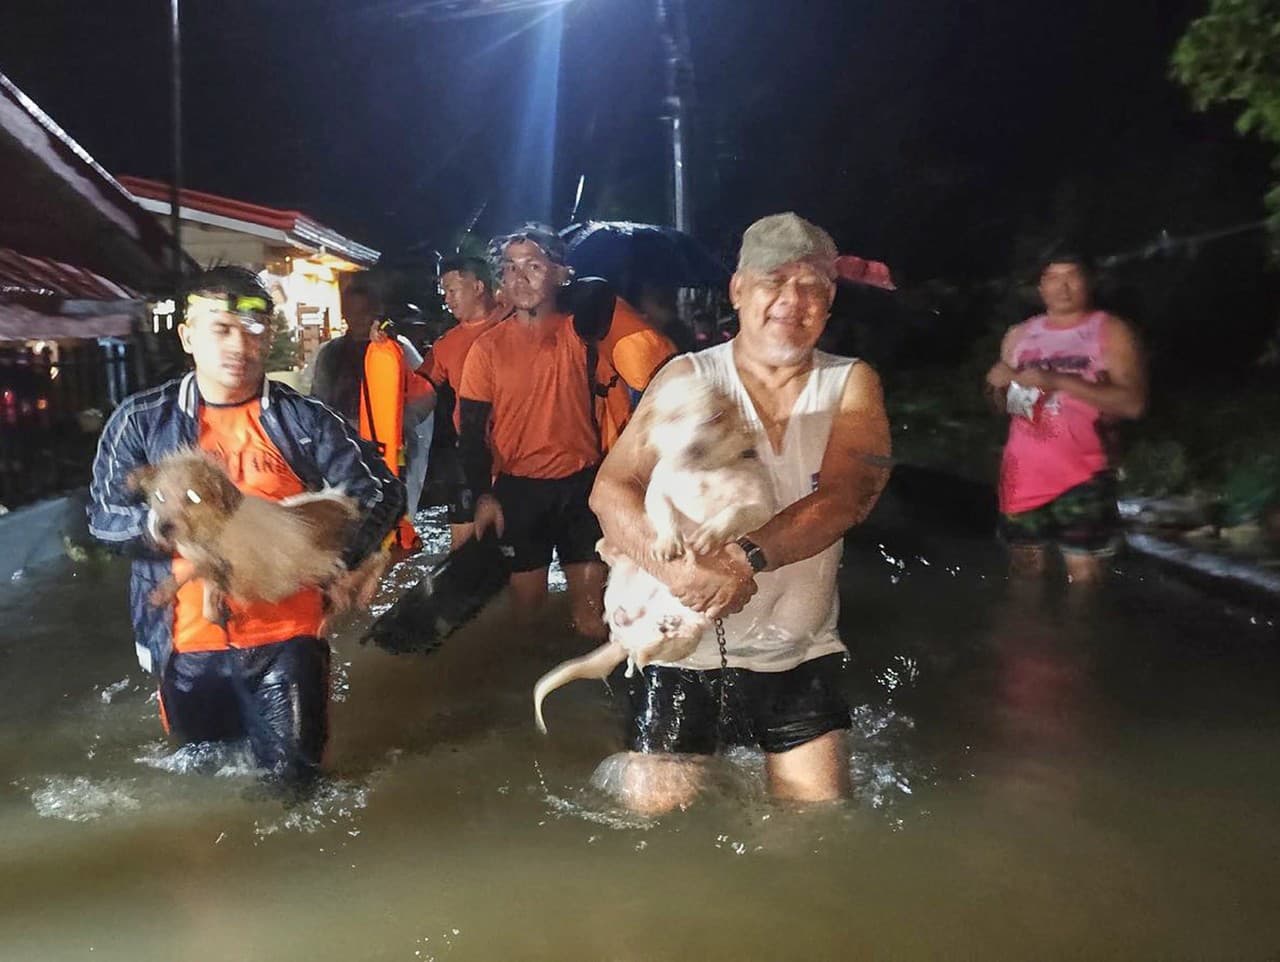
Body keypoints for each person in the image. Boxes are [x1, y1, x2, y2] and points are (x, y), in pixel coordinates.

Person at [589, 212, 892, 814]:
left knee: (818, 827)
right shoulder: (686, 377)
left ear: (830, 301)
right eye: (773, 281)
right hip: (681, 649)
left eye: (810, 286)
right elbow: (611, 489)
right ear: (737, 290)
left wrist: (743, 558)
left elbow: (848, 496)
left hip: (798, 650)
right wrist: (676, 571)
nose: (791, 300)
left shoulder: (850, 382)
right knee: (649, 829)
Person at [88, 267, 405, 786]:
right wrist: (174, 527)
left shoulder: (305, 419)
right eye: (221, 329)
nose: (239, 344)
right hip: (185, 647)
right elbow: (104, 520)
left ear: (269, 338)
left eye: (253, 330)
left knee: (296, 790)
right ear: (187, 336)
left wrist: (343, 564)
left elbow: (381, 490)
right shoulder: (139, 422)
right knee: (203, 787)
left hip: (289, 637)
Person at [457, 224, 675, 638]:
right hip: (519, 492)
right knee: (527, 612)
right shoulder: (486, 349)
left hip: (583, 489)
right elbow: (470, 432)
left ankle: (600, 676)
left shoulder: (587, 335)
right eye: (511, 267)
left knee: (592, 616)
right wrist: (482, 496)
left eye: (534, 266)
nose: (520, 277)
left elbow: (651, 365)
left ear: (561, 274)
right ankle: (530, 675)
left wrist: (603, 296)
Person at [984, 248, 1147, 585]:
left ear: (1090, 282)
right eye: (1052, 278)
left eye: (1072, 276)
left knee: (1086, 580)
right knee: (1024, 576)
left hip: (1085, 473)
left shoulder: (1112, 331)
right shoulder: (1019, 335)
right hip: (1022, 475)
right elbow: (1004, 408)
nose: (1062, 287)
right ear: (1040, 287)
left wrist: (1057, 381)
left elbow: (1133, 405)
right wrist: (996, 385)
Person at [312, 277, 434, 548]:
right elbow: (318, 401)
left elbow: (426, 396)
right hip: (345, 451)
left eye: (364, 312)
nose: (358, 319)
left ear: (376, 311)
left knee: (391, 522)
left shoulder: (396, 348)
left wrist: (399, 423)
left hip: (390, 449)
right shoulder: (329, 354)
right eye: (352, 312)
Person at [423, 254, 506, 550]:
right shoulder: (445, 345)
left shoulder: (515, 323)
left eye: (452, 290)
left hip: (518, 456)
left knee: (519, 551)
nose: (446, 299)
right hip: (471, 453)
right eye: (444, 292)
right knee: (465, 550)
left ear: (478, 287)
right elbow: (420, 388)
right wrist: (387, 355)